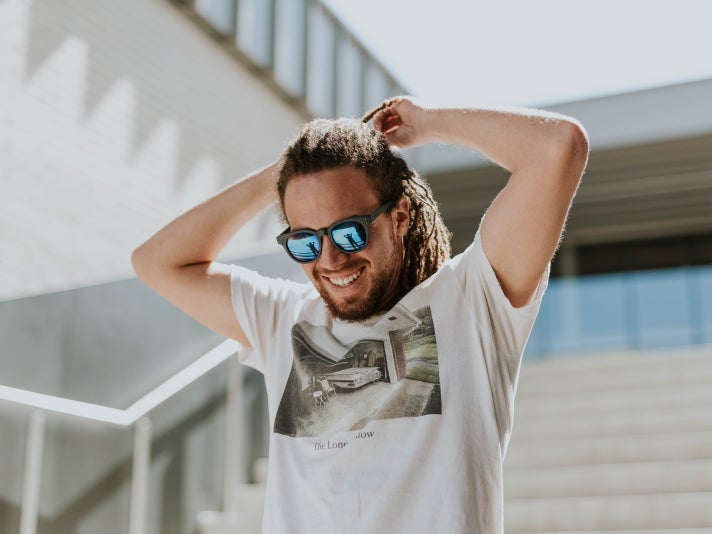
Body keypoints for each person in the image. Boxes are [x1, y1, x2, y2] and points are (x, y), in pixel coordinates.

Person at [131, 97, 588, 533]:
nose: (330, 260)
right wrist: (283, 174)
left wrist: (427, 122)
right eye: (305, 241)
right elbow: (155, 262)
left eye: (349, 232)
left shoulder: (472, 302)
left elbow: (558, 147)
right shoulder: (283, 319)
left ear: (400, 216)